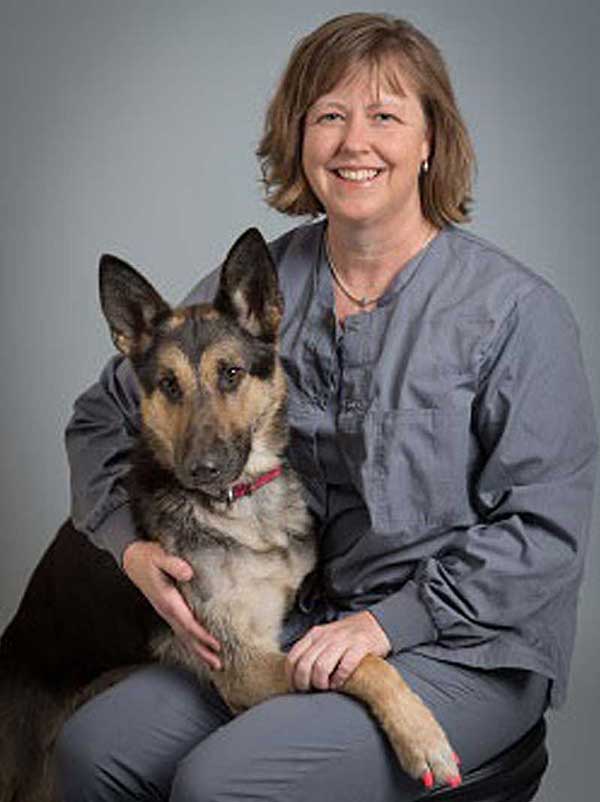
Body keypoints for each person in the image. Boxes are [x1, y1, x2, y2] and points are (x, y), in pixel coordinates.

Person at [56, 12, 597, 802]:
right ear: (300, 137)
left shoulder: (516, 314)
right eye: (330, 116)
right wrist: (128, 546)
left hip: (466, 644)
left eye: (385, 116)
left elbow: (543, 537)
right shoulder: (269, 281)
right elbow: (101, 416)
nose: (354, 142)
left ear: (430, 140)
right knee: (91, 750)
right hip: (304, 621)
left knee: (223, 783)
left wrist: (385, 626)